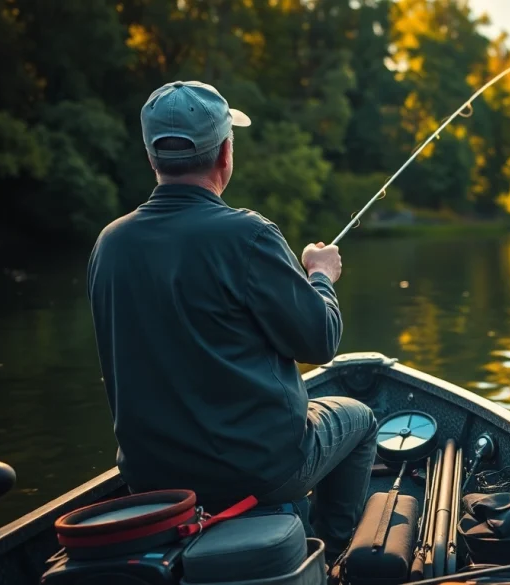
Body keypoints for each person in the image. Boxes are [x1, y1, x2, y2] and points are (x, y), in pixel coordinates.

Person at [86, 80, 378, 560]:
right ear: (225, 153)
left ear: (151, 157)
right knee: (362, 419)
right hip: (261, 471)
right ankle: (332, 555)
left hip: (151, 480)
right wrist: (320, 277)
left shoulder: (109, 244)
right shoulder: (248, 235)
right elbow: (321, 341)